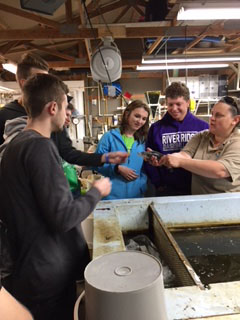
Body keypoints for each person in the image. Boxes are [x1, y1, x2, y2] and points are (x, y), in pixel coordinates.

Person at [0, 73, 119, 320]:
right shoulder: (40, 147)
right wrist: (97, 191)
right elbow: (63, 218)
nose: (67, 114)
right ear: (52, 107)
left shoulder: (13, 146)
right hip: (47, 272)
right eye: (65, 107)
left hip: (26, 267)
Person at [0, 52, 127, 167]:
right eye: (40, 79)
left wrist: (103, 157)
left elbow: (67, 152)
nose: (48, 84)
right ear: (24, 83)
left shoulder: (53, 115)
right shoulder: (5, 115)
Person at [151, 96, 240, 195]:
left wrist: (180, 162)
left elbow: (220, 170)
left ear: (235, 120)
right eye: (212, 114)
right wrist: (166, 158)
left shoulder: (237, 142)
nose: (212, 119)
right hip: (198, 203)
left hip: (226, 206)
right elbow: (185, 154)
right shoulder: (202, 136)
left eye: (218, 115)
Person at [144, 82, 209, 196]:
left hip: (197, 189)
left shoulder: (203, 128)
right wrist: (158, 183)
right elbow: (148, 159)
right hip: (166, 189)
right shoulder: (156, 128)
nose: (174, 109)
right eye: (170, 104)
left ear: (188, 103)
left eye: (178, 104)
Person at [94, 100, 150, 200]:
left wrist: (142, 184)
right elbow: (96, 163)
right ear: (127, 114)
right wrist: (117, 169)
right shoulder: (109, 137)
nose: (140, 121)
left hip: (136, 197)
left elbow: (146, 168)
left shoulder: (142, 141)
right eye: (137, 116)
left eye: (144, 119)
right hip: (111, 197)